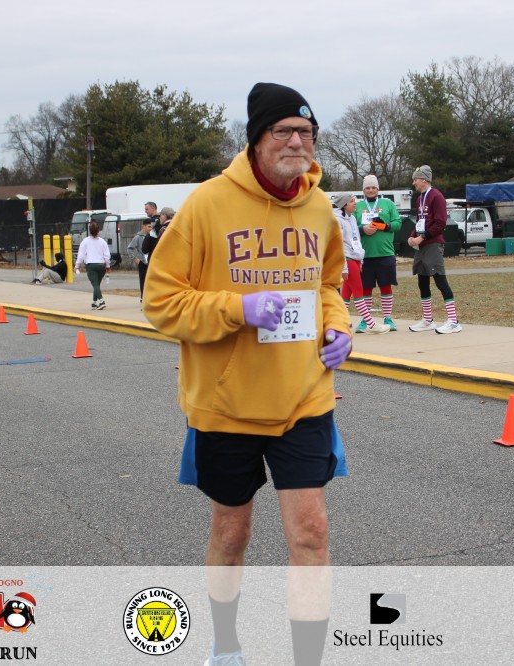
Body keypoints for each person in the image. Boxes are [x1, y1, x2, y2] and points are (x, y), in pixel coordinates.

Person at [143, 82, 350, 666]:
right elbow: (161, 302)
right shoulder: (207, 204)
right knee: (231, 534)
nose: (297, 142)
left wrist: (338, 326)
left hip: (304, 399)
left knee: (311, 533)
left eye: (306, 132)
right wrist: (238, 308)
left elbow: (328, 285)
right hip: (226, 405)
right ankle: (226, 646)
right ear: (257, 139)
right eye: (283, 131)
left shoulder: (320, 208)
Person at [407, 165, 461, 334]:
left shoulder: (436, 196)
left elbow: (440, 223)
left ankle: (453, 321)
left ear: (424, 180)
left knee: (440, 279)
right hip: (421, 245)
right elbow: (420, 221)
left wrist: (422, 237)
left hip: (433, 244)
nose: (414, 183)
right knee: (422, 281)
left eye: (416, 179)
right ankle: (427, 320)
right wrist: (412, 236)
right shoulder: (419, 199)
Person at [334, 192, 388, 335]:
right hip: (347, 260)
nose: (355, 203)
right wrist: (344, 267)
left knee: (345, 296)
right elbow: (337, 245)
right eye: (352, 201)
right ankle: (371, 325)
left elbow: (356, 239)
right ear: (344, 204)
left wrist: (361, 260)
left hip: (356, 259)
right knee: (359, 294)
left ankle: (339, 324)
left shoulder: (352, 218)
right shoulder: (337, 220)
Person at [354, 174, 401, 332]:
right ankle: (366, 320)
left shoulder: (388, 204)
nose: (371, 190)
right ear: (363, 190)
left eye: (373, 187)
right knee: (365, 289)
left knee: (385, 287)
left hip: (385, 253)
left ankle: (388, 318)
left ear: (378, 189)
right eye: (367, 188)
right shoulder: (358, 206)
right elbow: (350, 226)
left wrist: (384, 227)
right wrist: (363, 229)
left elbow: (398, 224)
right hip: (364, 255)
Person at [74, 221, 111, 310]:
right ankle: (94, 303)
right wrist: (108, 266)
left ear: (89, 230)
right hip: (101, 265)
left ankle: (101, 301)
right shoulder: (102, 242)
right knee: (97, 284)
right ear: (98, 230)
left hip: (91, 265)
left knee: (95, 284)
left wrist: (77, 266)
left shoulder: (85, 241)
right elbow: (107, 255)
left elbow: (81, 255)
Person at [127, 218, 153, 299]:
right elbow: (130, 248)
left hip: (151, 261)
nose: (150, 228)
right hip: (142, 262)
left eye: (151, 227)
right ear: (143, 226)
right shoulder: (138, 237)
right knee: (143, 280)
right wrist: (135, 259)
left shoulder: (153, 236)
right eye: (149, 226)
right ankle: (143, 297)